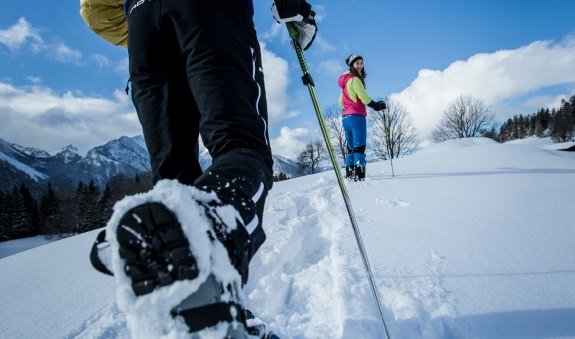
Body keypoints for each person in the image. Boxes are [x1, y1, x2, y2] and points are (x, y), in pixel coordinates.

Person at [80, 0, 317, 337]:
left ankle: (206, 311)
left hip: (141, 20)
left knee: (173, 181)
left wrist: (144, 25)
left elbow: (92, 11)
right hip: (208, 11)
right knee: (243, 148)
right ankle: (212, 229)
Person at [338, 54, 386, 181]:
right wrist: (376, 105)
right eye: (357, 63)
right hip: (356, 117)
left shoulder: (344, 81)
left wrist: (348, 106)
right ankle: (359, 175)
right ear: (351, 65)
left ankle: (350, 174)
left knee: (351, 147)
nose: (360, 65)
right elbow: (364, 98)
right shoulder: (355, 80)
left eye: (361, 63)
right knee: (359, 146)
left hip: (345, 118)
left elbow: (340, 101)